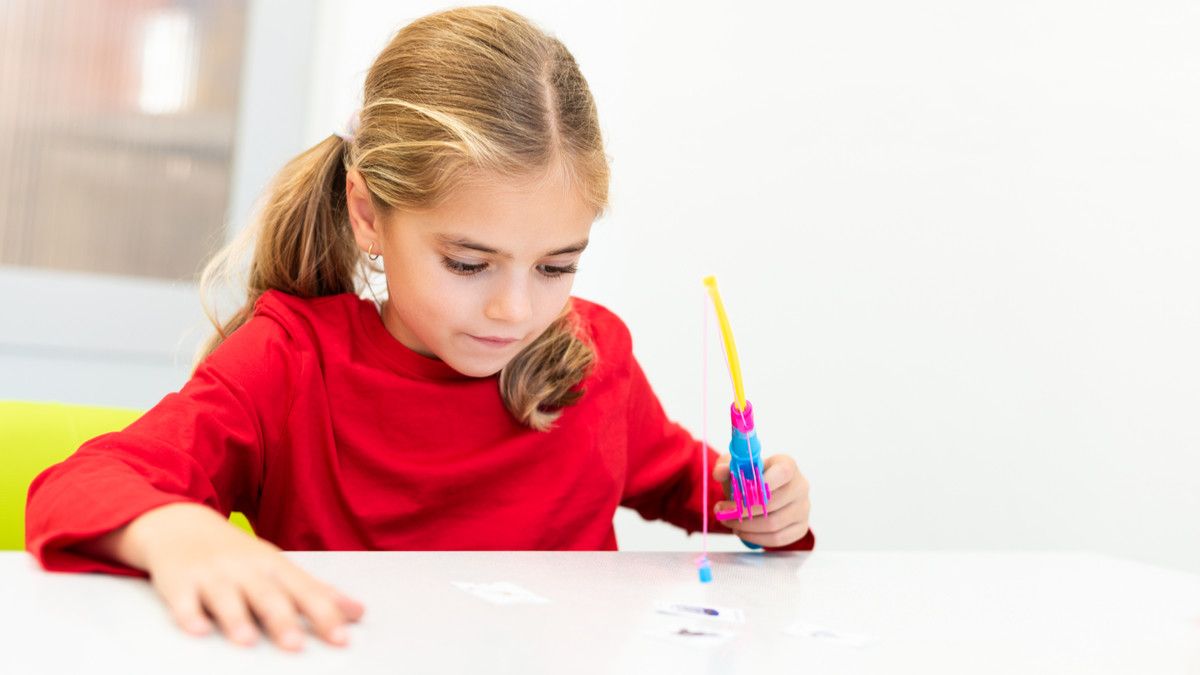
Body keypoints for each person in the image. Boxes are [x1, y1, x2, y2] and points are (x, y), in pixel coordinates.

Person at [25, 5, 813, 652]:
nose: (515, 310)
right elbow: (80, 486)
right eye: (468, 263)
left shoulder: (593, 354)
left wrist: (762, 505)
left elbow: (697, 489)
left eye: (556, 265)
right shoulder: (289, 360)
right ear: (369, 214)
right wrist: (180, 534)